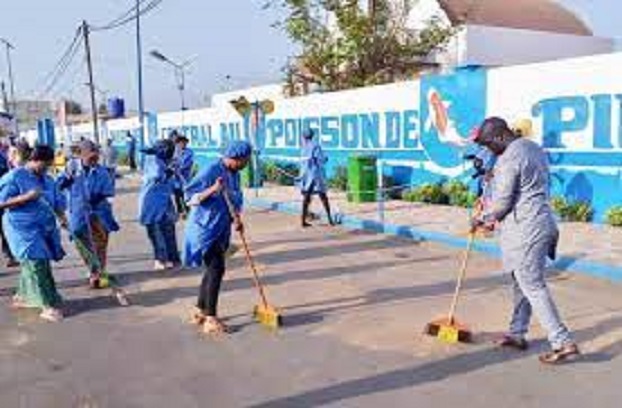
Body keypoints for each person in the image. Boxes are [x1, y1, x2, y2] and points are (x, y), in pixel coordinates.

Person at [471, 117, 579, 364]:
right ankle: (517, 332)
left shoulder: (509, 157)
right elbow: (522, 182)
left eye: (489, 144)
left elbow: (502, 203)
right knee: (522, 280)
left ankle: (562, 341)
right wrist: (493, 177)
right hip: (542, 222)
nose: (489, 150)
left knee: (532, 284)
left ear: (500, 137)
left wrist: (480, 218)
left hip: (526, 228)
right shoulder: (532, 147)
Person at [184, 140, 251, 335]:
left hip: (221, 228)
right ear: (234, 158)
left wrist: (237, 218)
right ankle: (211, 318)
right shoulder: (211, 170)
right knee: (216, 268)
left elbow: (235, 200)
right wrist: (212, 190)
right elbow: (190, 199)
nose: (245, 164)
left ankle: (200, 310)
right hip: (205, 229)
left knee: (212, 270)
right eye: (244, 161)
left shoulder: (235, 174)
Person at [0, 145, 67, 322]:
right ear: (34, 160)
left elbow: (57, 202)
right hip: (22, 229)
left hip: (44, 227)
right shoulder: (14, 177)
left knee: (35, 262)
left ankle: (22, 296)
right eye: (44, 165)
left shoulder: (48, 180)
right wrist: (25, 197)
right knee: (37, 261)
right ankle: (47, 304)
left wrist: (62, 217)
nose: (45, 170)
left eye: (48, 166)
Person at [57, 140, 120, 289]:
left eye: (96, 155)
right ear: (81, 155)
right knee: (81, 241)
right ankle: (93, 268)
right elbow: (58, 185)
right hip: (78, 212)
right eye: (90, 156)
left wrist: (94, 199)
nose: (94, 159)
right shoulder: (71, 167)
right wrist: (68, 179)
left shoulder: (102, 171)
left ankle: (97, 272)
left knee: (100, 242)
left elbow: (108, 191)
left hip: (99, 212)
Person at [138, 139, 181, 270]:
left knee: (168, 230)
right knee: (157, 232)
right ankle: (161, 259)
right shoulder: (153, 160)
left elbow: (174, 184)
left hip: (164, 203)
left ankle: (170, 258)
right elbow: (156, 175)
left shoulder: (165, 162)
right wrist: (169, 171)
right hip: (152, 204)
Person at [299, 128, 334, 227]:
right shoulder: (315, 146)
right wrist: (325, 159)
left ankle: (303, 220)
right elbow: (320, 159)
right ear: (312, 135)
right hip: (314, 175)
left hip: (305, 174)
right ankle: (330, 219)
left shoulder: (303, 147)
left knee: (306, 198)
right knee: (323, 196)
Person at [0, 139, 18, 267]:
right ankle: (9, 254)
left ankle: (10, 255)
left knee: (4, 227)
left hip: (3, 196)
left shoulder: (3, 156)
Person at [172, 134, 194, 217]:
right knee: (177, 194)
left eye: (184, 142)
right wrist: (173, 168)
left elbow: (188, 163)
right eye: (180, 142)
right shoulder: (175, 152)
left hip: (185, 177)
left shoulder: (189, 152)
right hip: (176, 178)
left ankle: (187, 210)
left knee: (186, 194)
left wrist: (179, 168)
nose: (182, 144)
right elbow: (172, 162)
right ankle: (180, 211)